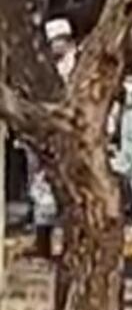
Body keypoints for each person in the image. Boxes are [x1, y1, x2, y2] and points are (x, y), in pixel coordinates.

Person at [27, 17, 77, 258]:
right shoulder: (47, 67)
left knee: (62, 192)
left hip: (67, 136)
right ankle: (42, 243)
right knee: (40, 188)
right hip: (42, 134)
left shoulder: (74, 67)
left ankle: (66, 244)